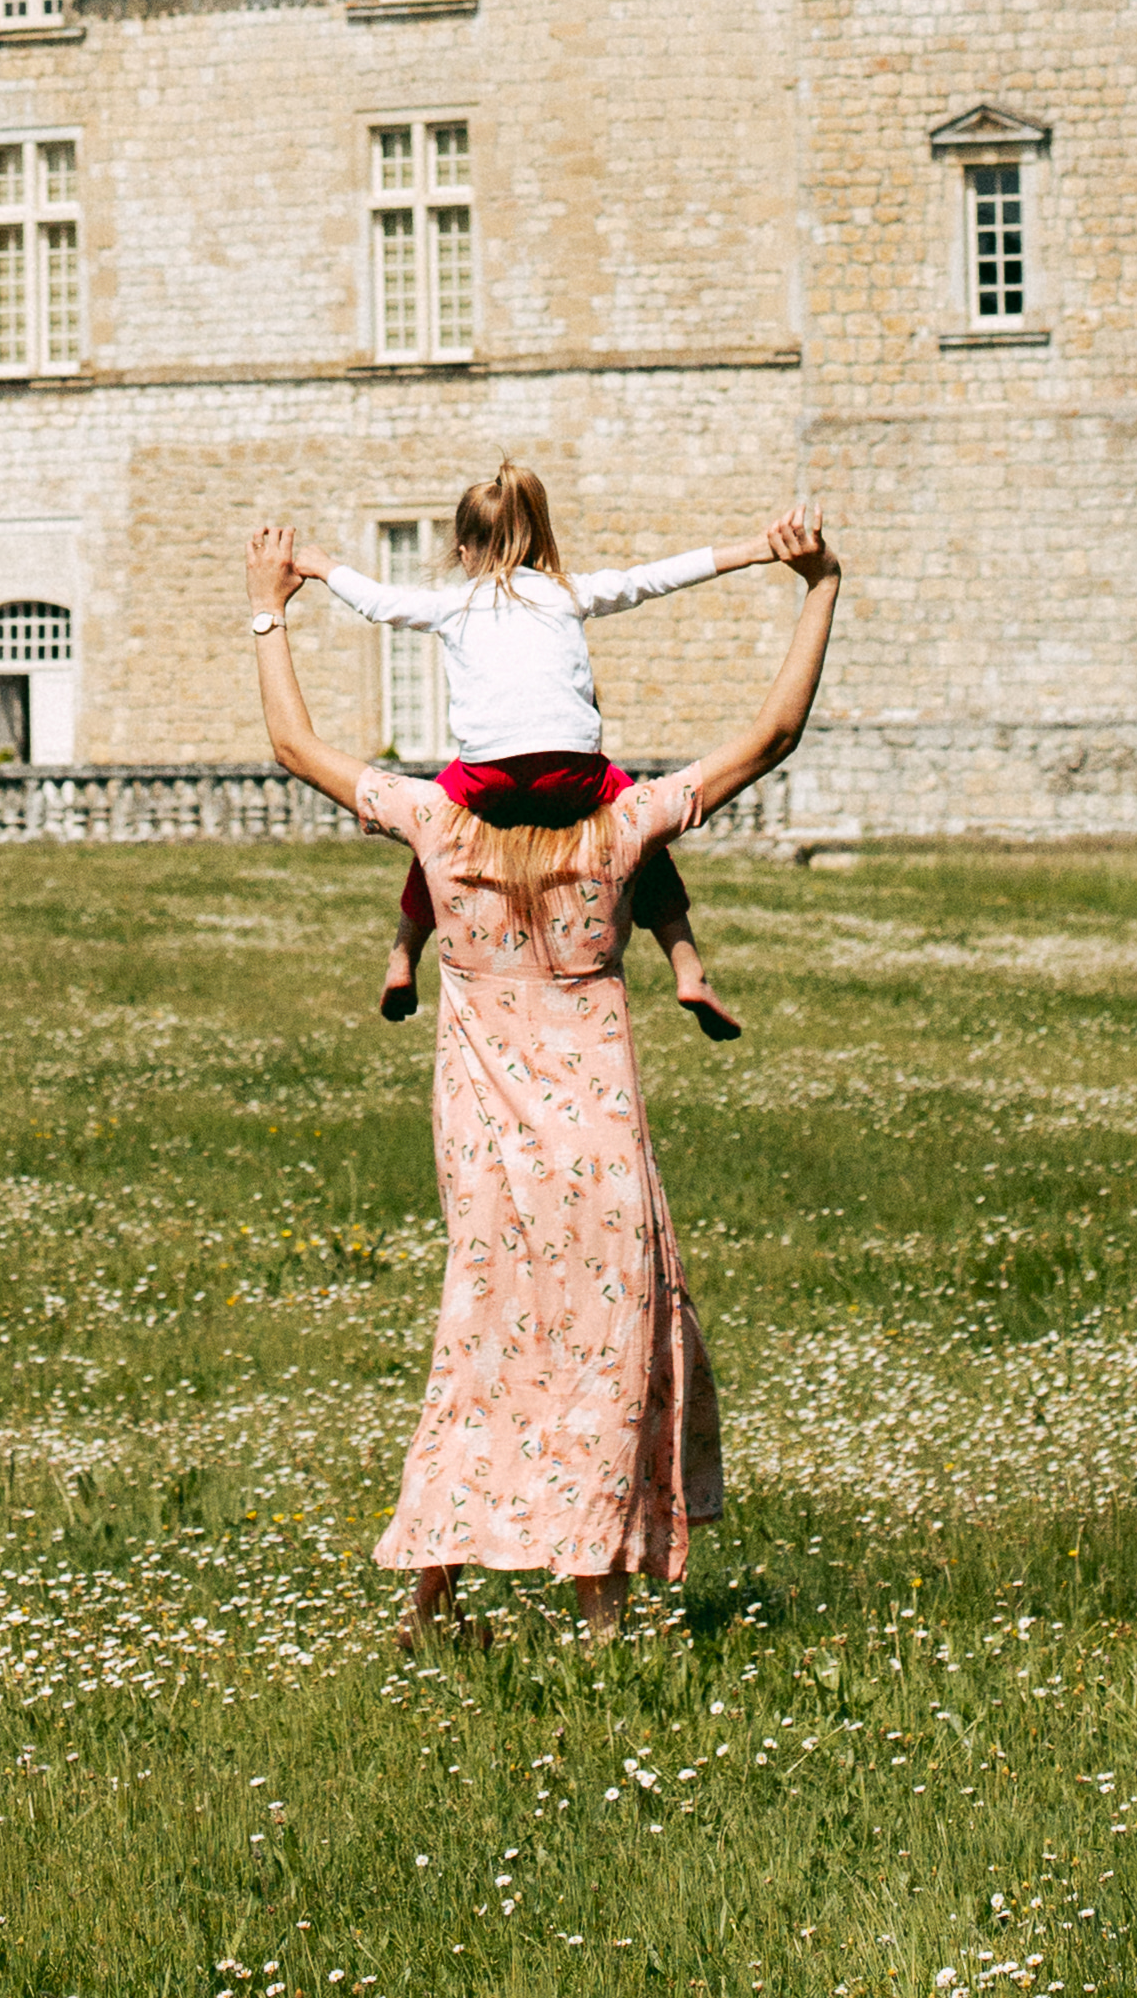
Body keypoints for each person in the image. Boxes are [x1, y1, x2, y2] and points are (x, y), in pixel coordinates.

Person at [245, 497, 841, 1639]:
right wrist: (817, 588)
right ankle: (599, 1611)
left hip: (486, 1149)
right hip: (602, 1152)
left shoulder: (439, 827)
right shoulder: (617, 832)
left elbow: (294, 749)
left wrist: (271, 615)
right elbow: (769, 738)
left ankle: (435, 1591)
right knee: (602, 1343)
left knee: (486, 1340)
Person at [283, 470, 806, 1038]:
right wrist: (755, 550)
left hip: (485, 777)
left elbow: (377, 603)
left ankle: (402, 956)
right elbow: (657, 578)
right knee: (647, 842)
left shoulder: (453, 604)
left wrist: (322, 565)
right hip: (574, 772)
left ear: (463, 552)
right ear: (536, 541)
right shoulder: (567, 592)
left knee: (431, 837)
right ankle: (689, 968)